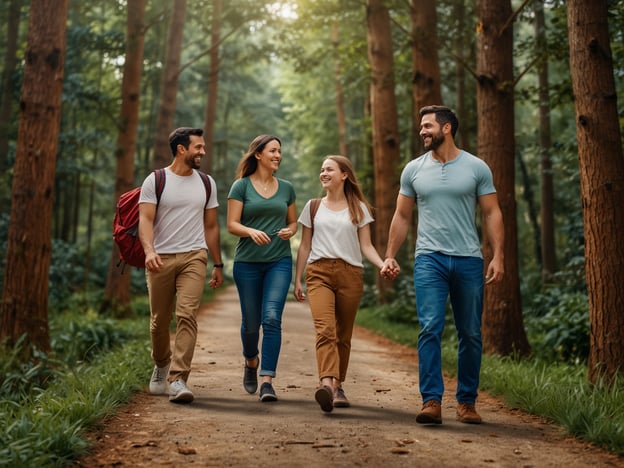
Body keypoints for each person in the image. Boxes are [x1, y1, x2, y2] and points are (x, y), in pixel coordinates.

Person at [381, 105, 504, 425]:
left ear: (446, 128)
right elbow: (402, 215)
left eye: (427, 126)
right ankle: (431, 400)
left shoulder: (477, 167)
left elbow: (492, 212)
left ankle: (466, 402)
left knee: (470, 333)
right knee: (430, 327)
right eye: (421, 126)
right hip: (429, 259)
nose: (422, 131)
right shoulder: (413, 169)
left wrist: (498, 255)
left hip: (468, 260)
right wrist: (390, 254)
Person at [294, 155, 394, 413]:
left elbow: (366, 246)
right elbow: (305, 245)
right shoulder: (313, 206)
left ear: (344, 175)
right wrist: (297, 278)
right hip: (319, 273)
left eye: (329, 169)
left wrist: (382, 263)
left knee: (343, 334)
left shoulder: (358, 208)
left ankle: (339, 385)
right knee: (325, 329)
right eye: (321, 169)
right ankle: (326, 385)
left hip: (351, 274)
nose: (323, 173)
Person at [139, 127, 224, 404]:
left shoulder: (207, 183)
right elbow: (146, 221)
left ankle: (178, 380)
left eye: (203, 147)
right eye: (198, 147)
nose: (203, 151)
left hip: (194, 257)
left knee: (187, 315)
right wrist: (149, 251)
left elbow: (211, 227)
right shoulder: (156, 180)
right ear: (181, 149)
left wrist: (218, 263)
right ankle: (161, 363)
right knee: (159, 322)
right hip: (160, 257)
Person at [227, 134, 297, 402]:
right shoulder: (241, 187)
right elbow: (232, 224)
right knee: (250, 324)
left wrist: (290, 231)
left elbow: (293, 222)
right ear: (258, 154)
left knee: (271, 318)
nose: (278, 155)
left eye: (280, 151)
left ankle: (267, 380)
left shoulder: (287, 188)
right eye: (273, 151)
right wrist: (250, 231)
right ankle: (250, 361)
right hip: (247, 264)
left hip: (278, 261)